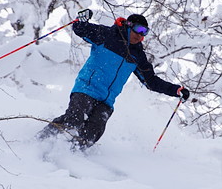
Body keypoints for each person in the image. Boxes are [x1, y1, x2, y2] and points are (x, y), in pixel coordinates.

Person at [38, 9, 190, 150]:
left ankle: (71, 155)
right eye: (139, 30)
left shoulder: (137, 55)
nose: (140, 35)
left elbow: (151, 81)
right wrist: (81, 20)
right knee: (74, 118)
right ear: (129, 25)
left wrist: (176, 90)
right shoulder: (107, 35)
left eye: (145, 32)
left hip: (106, 101)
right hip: (86, 89)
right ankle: (40, 141)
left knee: (93, 132)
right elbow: (80, 29)